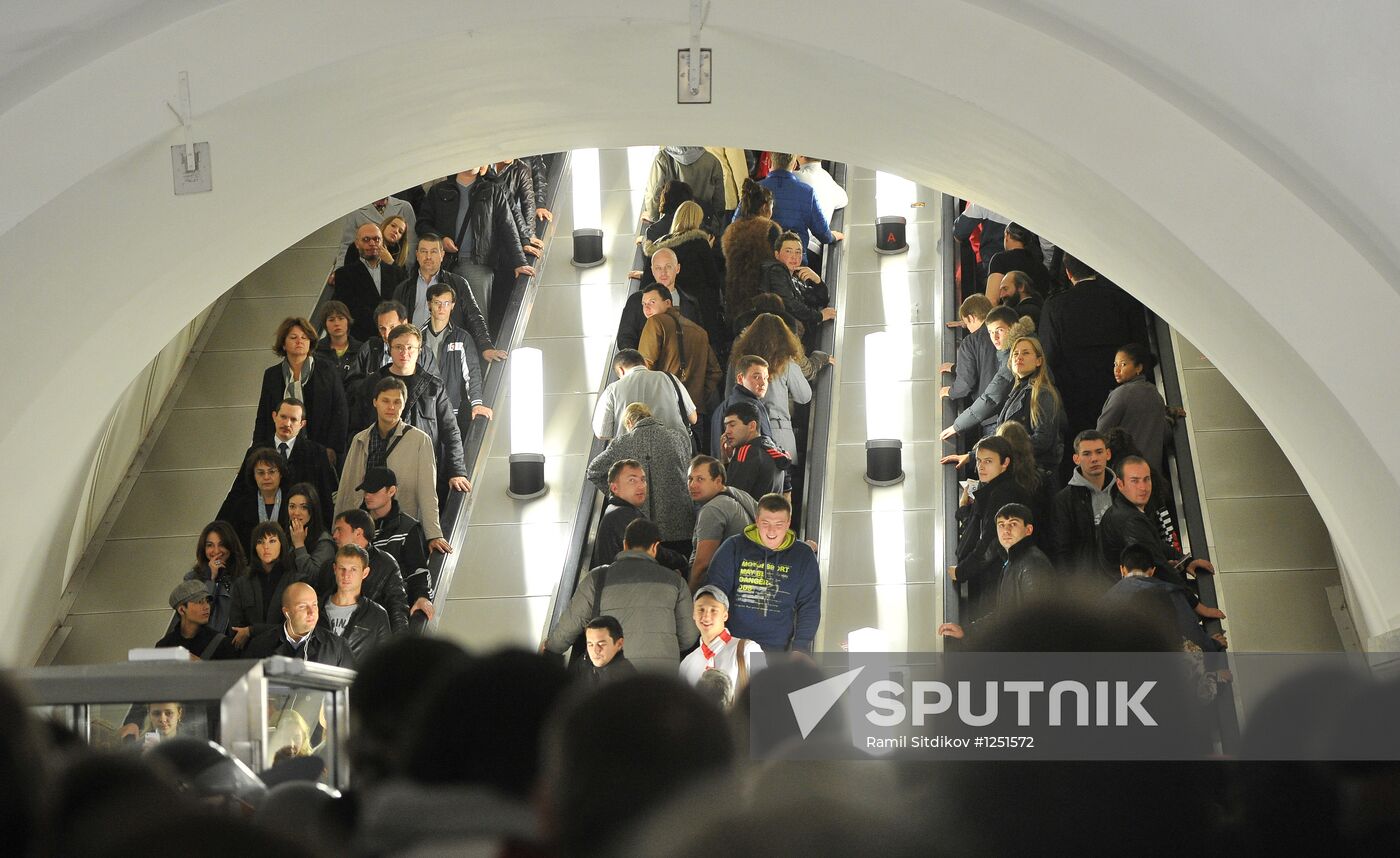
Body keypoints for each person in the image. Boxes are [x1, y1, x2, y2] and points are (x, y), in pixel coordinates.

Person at [544, 519, 697, 673]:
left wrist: (551, 648)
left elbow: (570, 624)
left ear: (625, 544)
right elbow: (689, 636)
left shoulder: (597, 578)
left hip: (613, 678)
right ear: (655, 547)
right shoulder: (676, 581)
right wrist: (664, 645)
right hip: (662, 678)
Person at [1036, 254, 1148, 461]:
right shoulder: (1123, 299)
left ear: (1068, 274)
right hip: (1120, 390)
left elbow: (1048, 356)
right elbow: (1141, 347)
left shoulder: (1055, 306)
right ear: (1096, 269)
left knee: (1086, 449)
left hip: (1075, 396)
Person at [350, 324, 469, 499]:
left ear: (419, 350)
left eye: (410, 347)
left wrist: (457, 471)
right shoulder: (371, 384)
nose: (404, 353)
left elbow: (450, 430)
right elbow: (356, 429)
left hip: (420, 468)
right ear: (390, 349)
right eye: (398, 347)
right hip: (378, 469)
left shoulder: (433, 387)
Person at [1098, 457, 1220, 620]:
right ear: (1120, 484)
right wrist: (1197, 606)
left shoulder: (1124, 509)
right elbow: (1158, 565)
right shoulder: (1130, 519)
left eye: (1146, 479)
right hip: (1130, 604)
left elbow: (1152, 542)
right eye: (1134, 481)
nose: (1143, 487)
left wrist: (1184, 560)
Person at [337, 377, 452, 547]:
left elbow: (428, 491)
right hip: (362, 524)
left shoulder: (420, 441)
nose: (391, 407)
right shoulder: (360, 439)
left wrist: (433, 534)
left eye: (397, 402)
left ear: (404, 404)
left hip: (399, 526)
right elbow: (346, 487)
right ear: (375, 402)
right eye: (385, 401)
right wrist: (338, 528)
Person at [706, 493, 820, 652]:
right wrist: (714, 638)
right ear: (757, 521)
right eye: (766, 523)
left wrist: (800, 648)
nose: (771, 531)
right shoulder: (733, 547)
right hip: (733, 646)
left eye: (779, 524)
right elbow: (714, 593)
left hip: (777, 651)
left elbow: (810, 606)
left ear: (788, 524)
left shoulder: (803, 556)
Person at [415, 168, 534, 319]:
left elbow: (508, 226)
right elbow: (422, 224)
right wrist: (441, 239)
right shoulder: (438, 190)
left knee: (478, 318)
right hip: (445, 264)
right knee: (441, 317)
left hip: (479, 264)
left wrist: (520, 261)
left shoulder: (492, 190)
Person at [586, 406, 696, 556]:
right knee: (679, 570)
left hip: (641, 530)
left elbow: (593, 471)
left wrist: (619, 494)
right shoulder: (678, 438)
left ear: (630, 422)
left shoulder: (621, 443)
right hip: (680, 525)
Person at [937, 503, 1055, 640]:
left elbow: (1039, 622)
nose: (1006, 530)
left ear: (1028, 530)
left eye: (1013, 524)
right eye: (1001, 525)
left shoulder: (1033, 564)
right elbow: (1003, 614)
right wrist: (967, 631)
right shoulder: (1013, 561)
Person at [730, 311, 831, 465]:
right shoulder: (786, 363)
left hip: (745, 432)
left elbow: (729, 396)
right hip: (778, 432)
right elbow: (804, 396)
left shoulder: (739, 364)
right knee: (782, 484)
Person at [950, 437, 1035, 617]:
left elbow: (991, 543)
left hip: (998, 577)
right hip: (995, 574)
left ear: (1005, 463)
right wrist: (965, 510)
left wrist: (961, 571)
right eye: (979, 461)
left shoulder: (1003, 493)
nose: (981, 467)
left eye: (988, 461)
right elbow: (979, 526)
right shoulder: (992, 487)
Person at [390, 233, 504, 361]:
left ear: (442, 255)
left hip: (446, 353)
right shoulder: (403, 288)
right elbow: (394, 323)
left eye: (433, 252)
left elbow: (474, 316)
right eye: (423, 251)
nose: (428, 256)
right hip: (412, 354)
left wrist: (485, 346)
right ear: (417, 254)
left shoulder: (458, 283)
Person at [252, 317, 347, 466]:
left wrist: (333, 448)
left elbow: (340, 411)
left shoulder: (327, 369)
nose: (299, 341)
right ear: (283, 343)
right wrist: (257, 451)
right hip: (281, 449)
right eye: (293, 337)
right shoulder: (272, 375)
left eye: (304, 337)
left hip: (320, 447)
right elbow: (263, 415)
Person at [1103, 544, 1225, 653]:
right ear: (1152, 571)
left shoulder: (1106, 599)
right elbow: (1191, 633)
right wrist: (1213, 645)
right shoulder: (1167, 593)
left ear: (1122, 570)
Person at [234, 397, 337, 527]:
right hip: (259, 527)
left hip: (303, 530)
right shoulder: (255, 451)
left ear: (302, 424)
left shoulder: (317, 453)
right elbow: (238, 492)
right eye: (283, 417)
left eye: (293, 419)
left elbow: (324, 497)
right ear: (274, 416)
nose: (287, 423)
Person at [638, 201, 725, 341]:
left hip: (664, 305)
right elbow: (713, 280)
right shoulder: (700, 243)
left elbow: (646, 283)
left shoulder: (659, 245)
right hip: (699, 309)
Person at [940, 307, 1026, 444]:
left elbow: (992, 396)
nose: (995, 337)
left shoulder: (1015, 357)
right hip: (1008, 419)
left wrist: (957, 425)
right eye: (991, 332)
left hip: (1002, 421)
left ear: (1013, 328)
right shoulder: (1014, 349)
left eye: (1000, 330)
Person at [360, 466, 435, 621]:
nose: (367, 495)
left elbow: (418, 570)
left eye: (373, 491)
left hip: (393, 609)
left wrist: (422, 596)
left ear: (391, 491)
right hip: (360, 608)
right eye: (366, 490)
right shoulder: (354, 524)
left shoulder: (408, 527)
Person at [588, 458, 688, 573]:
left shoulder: (615, 510)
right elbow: (650, 551)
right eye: (632, 480)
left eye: (643, 480)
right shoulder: (623, 514)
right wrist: (682, 560)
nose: (641, 486)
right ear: (614, 488)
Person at [637, 278, 721, 409]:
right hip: (695, 411)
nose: (646, 307)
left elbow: (643, 367)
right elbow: (715, 372)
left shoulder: (655, 322)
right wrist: (697, 397)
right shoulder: (700, 332)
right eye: (643, 304)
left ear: (668, 303)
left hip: (665, 408)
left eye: (652, 302)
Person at [324, 509, 411, 632]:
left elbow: (397, 607)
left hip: (371, 637)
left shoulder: (386, 564)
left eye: (340, 530)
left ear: (358, 532)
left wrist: (398, 645)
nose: (334, 535)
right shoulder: (329, 565)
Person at [749, 152, 843, 264]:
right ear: (794, 166)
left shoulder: (754, 190)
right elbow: (822, 234)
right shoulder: (807, 192)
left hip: (762, 260)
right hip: (795, 262)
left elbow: (736, 224)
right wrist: (833, 237)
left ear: (770, 162)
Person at [420, 282, 491, 423]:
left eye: (446, 303)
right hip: (421, 410)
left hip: (450, 410)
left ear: (453, 306)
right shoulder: (417, 338)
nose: (442, 308)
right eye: (437, 302)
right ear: (429, 304)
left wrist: (477, 403)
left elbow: (472, 373)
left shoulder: (462, 338)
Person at [228, 521, 306, 650]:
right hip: (250, 654)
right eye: (260, 542)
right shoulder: (242, 583)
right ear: (254, 547)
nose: (266, 547)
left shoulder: (296, 581)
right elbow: (236, 630)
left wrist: (251, 630)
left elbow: (295, 627)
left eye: (272, 541)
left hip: (285, 653)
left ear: (282, 544)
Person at [1098, 342, 1174, 473]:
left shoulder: (1121, 394)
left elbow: (1100, 432)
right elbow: (1164, 434)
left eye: (1123, 364)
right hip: (1151, 475)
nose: (1117, 370)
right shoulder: (1155, 394)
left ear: (1138, 367)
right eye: (1115, 365)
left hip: (1126, 474)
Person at [1050, 430, 1117, 576]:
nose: (1094, 459)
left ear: (1108, 454)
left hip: (1124, 577)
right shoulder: (1064, 500)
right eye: (1087, 454)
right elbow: (1061, 551)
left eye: (1099, 452)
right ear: (1076, 459)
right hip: (1088, 586)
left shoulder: (1122, 490)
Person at [686, 455, 757, 589]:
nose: (692, 485)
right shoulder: (740, 494)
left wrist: (689, 597)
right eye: (690, 479)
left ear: (718, 481)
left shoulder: (712, 509)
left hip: (723, 588)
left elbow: (703, 564)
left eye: (700, 479)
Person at [592, 349, 696, 441]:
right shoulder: (669, 378)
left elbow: (601, 433)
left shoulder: (612, 390)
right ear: (644, 363)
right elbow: (693, 418)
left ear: (621, 369)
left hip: (631, 459)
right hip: (674, 453)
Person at [244, 582, 355, 668]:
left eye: (314, 605)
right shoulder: (259, 646)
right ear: (286, 612)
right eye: (302, 606)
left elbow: (351, 693)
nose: (312, 612)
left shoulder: (337, 647)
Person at [616, 241, 702, 351]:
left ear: (678, 268)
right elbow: (625, 338)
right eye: (658, 268)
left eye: (668, 267)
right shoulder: (636, 301)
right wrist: (640, 364)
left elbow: (698, 340)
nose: (663, 272)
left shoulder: (690, 303)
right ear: (652, 270)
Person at [996, 335, 1065, 470]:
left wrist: (1005, 452)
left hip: (1032, 472)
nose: (1019, 357)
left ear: (1039, 361)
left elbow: (1044, 439)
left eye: (1026, 353)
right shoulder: (1017, 391)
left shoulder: (1042, 393)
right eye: (1015, 353)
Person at [678, 584, 763, 694]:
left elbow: (767, 691)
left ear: (725, 616)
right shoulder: (687, 664)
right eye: (701, 610)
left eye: (714, 610)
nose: (706, 617)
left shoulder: (750, 648)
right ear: (693, 614)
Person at [330, 223, 408, 343]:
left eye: (377, 239)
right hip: (361, 340)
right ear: (357, 243)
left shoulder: (396, 272)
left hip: (395, 339)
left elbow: (404, 303)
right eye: (366, 239)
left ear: (382, 242)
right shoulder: (344, 274)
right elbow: (348, 310)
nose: (372, 243)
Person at [722, 179, 782, 326]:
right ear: (764, 207)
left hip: (735, 298)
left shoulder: (731, 230)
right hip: (763, 298)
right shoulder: (769, 228)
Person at [318, 543, 392, 663]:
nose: (346, 575)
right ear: (334, 569)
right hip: (318, 678)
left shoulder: (377, 615)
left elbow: (385, 661)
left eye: (353, 569)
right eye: (342, 568)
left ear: (365, 573)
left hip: (355, 680)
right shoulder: (315, 608)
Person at [765, 230, 837, 348]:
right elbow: (790, 304)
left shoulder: (794, 276)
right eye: (788, 251)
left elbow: (820, 300)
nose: (794, 256)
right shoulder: (776, 271)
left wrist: (817, 280)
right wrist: (819, 316)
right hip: (779, 341)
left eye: (798, 252)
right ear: (777, 254)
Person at [178, 521, 246, 635]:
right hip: (206, 644)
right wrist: (211, 578)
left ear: (231, 546)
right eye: (210, 545)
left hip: (239, 643)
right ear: (203, 549)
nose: (216, 551)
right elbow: (196, 615)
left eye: (221, 544)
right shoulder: (192, 579)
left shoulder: (246, 576)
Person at [215, 446, 288, 553]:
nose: (266, 477)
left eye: (271, 472)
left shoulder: (292, 501)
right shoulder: (241, 504)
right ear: (253, 475)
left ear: (280, 474)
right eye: (261, 473)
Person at [720, 401, 790, 501]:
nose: (727, 431)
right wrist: (727, 460)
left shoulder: (747, 451)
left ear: (752, 426)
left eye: (732, 425)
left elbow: (732, 497)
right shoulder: (772, 448)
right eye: (726, 426)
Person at [352, 301, 437, 381]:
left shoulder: (423, 353)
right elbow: (353, 384)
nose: (387, 334)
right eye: (382, 328)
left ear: (404, 323)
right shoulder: (369, 349)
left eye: (392, 327)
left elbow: (434, 387)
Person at [641, 146, 726, 226]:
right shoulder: (712, 161)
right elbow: (719, 200)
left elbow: (653, 194)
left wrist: (654, 218)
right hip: (702, 222)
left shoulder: (662, 159)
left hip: (672, 225)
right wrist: (716, 223)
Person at [709, 354, 775, 457]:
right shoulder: (753, 407)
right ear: (740, 378)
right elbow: (766, 449)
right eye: (756, 377)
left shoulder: (720, 409)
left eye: (766, 378)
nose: (763, 383)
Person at [155, 580, 239, 660]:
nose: (207, 607)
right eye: (199, 602)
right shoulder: (164, 647)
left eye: (207, 601)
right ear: (181, 610)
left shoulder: (221, 643)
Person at [941, 294, 997, 408]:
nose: (967, 327)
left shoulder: (970, 342)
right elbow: (987, 364)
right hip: (1011, 406)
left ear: (972, 318)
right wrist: (955, 368)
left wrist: (950, 391)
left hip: (988, 410)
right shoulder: (1001, 333)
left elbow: (966, 383)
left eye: (966, 323)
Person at [337, 196, 417, 265]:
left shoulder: (405, 207)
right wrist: (338, 270)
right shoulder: (355, 210)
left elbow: (411, 243)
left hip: (396, 269)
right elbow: (346, 245)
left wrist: (406, 272)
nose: (395, 231)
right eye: (392, 225)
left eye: (400, 231)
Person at [986, 222, 1050, 301]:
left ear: (1007, 236)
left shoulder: (999, 260)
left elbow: (992, 299)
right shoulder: (1041, 266)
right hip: (1035, 312)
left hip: (1007, 312)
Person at [284, 482, 334, 581]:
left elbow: (314, 578)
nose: (296, 513)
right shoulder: (286, 532)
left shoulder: (324, 541)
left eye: (304, 507)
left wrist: (299, 545)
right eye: (292, 506)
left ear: (313, 509)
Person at [314, 300, 362, 383]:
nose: (336, 323)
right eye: (331, 320)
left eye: (341, 318)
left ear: (348, 321)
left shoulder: (362, 349)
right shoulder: (316, 350)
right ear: (325, 324)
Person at [582, 615, 637, 686]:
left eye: (601, 644)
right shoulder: (588, 669)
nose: (595, 650)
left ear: (619, 644)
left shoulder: (621, 681)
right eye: (590, 644)